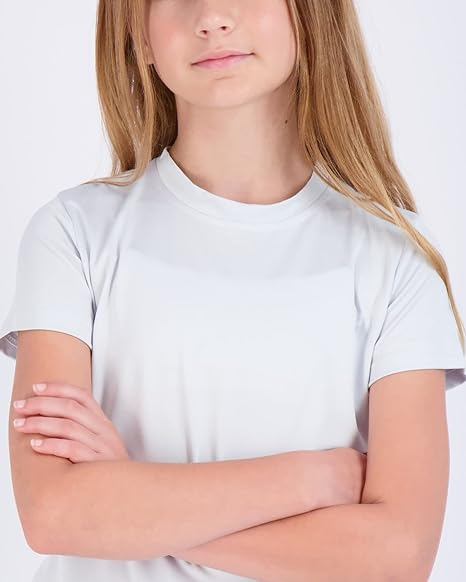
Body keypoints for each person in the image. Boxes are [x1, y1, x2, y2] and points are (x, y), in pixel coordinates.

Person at [1, 1, 465, 581]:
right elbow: (54, 514)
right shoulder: (73, 232)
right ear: (136, 29)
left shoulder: (397, 255)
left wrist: (134, 503)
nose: (212, 17)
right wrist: (313, 477)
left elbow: (397, 556)